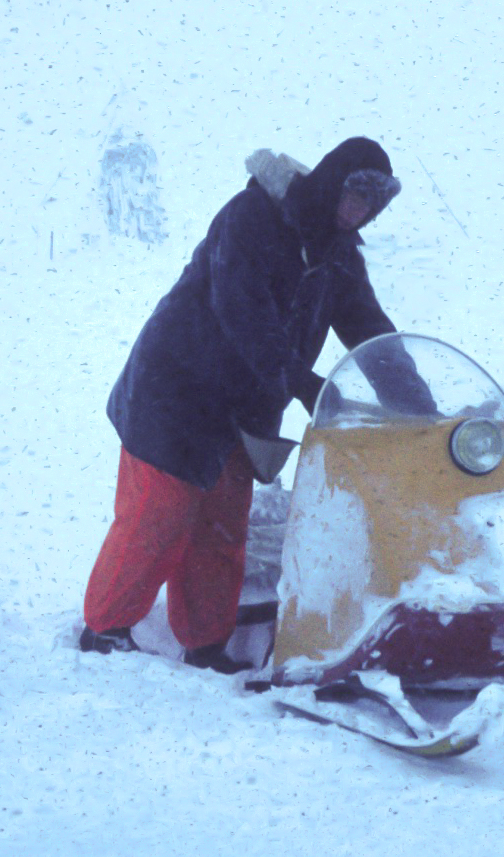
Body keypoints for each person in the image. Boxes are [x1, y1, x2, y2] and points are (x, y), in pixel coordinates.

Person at [81, 137, 405, 672]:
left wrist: (416, 399)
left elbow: (369, 327)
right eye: (356, 192)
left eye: (375, 200)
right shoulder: (252, 216)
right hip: (174, 391)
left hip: (245, 406)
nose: (362, 209)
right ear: (331, 182)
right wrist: (303, 382)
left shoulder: (337, 256)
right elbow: (242, 313)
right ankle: (104, 632)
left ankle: (206, 645)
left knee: (222, 529)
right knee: (157, 518)